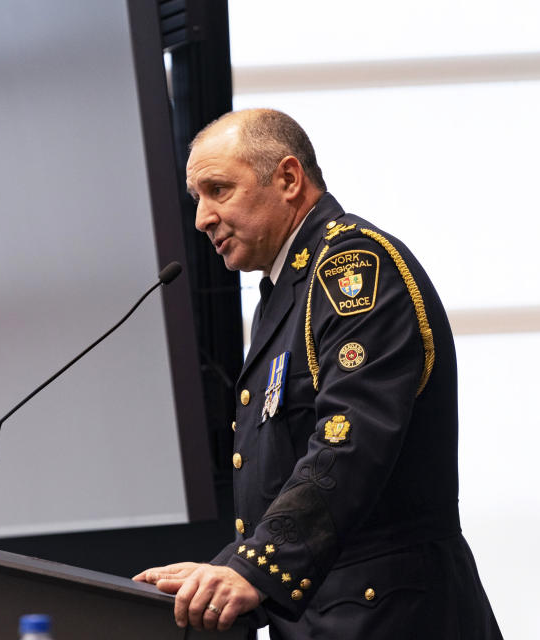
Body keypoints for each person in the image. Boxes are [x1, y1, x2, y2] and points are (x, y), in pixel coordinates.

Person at [133, 109, 501, 639]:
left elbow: (349, 439)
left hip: (392, 617)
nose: (202, 218)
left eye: (218, 190)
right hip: (327, 616)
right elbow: (285, 474)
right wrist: (225, 568)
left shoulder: (352, 267)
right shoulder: (284, 293)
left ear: (287, 178)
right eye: (197, 199)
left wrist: (254, 568)